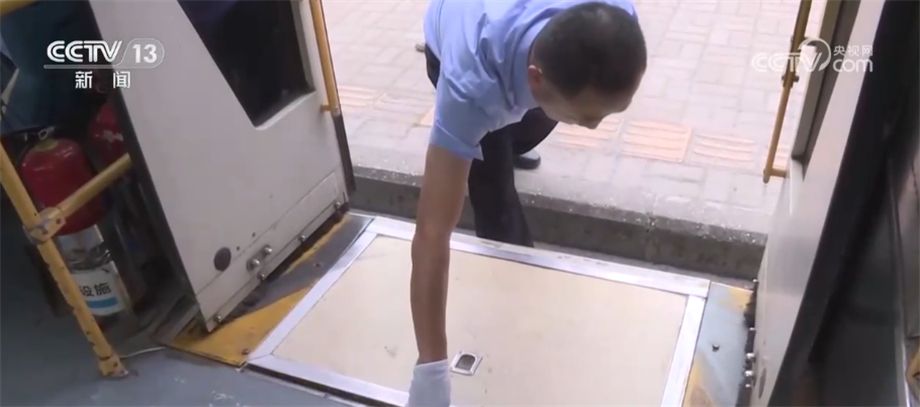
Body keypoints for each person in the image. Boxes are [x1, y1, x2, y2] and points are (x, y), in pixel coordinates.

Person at [406, 0, 647, 404]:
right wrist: (430, 374)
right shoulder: (470, 88)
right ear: (535, 78)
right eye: (588, 117)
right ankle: (512, 298)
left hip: (527, 73)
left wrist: (570, 109)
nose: (595, 127)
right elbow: (431, 233)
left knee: (530, 124)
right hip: (463, 37)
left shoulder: (615, 17)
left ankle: (512, 140)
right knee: (493, 187)